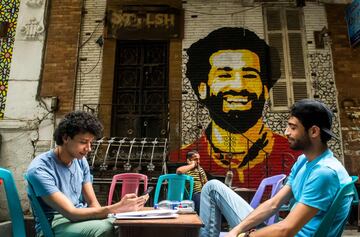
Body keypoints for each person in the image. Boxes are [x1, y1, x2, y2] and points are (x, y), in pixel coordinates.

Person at [199, 99, 352, 237]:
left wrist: (247, 236)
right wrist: (236, 231)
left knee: (212, 189)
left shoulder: (325, 172)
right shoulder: (302, 162)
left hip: (287, 234)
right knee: (212, 186)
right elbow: (274, 203)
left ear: (313, 131)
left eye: (293, 127)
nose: (286, 132)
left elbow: (286, 230)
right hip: (283, 230)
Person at [174, 27, 300, 188]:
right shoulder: (183, 155)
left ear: (265, 89)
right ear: (202, 89)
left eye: (249, 75)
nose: (239, 86)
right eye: (224, 75)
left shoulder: (293, 154)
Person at [27, 111, 148, 237]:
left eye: (91, 143)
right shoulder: (40, 169)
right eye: (83, 142)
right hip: (54, 224)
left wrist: (120, 212)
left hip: (82, 217)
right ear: (65, 138)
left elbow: (93, 203)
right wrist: (117, 208)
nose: (89, 148)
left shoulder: (80, 161)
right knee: (106, 229)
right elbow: (71, 213)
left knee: (129, 225)